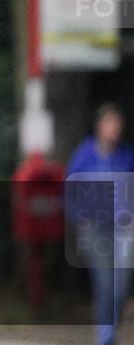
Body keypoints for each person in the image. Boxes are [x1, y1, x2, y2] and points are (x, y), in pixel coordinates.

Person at [67, 103, 134, 345]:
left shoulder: (127, 156)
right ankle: (106, 337)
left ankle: (111, 331)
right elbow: (70, 190)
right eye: (111, 123)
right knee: (105, 283)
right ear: (100, 126)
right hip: (95, 229)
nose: (116, 128)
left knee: (121, 285)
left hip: (125, 229)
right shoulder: (84, 155)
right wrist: (80, 218)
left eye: (119, 124)